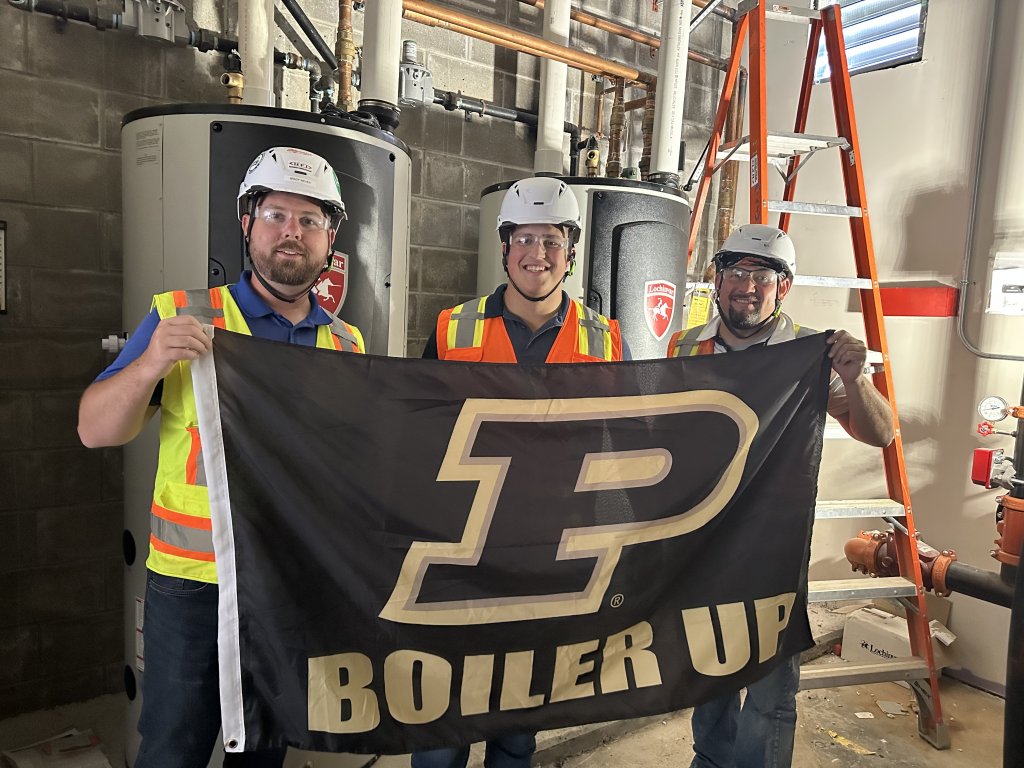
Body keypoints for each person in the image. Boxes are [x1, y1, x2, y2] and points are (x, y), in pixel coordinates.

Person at [77, 146, 365, 768]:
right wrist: (151, 363)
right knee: (172, 751)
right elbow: (94, 430)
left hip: (287, 583)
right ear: (247, 223)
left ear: (330, 239)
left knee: (262, 750)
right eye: (276, 215)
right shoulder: (182, 316)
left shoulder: (345, 343)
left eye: (310, 220)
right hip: (193, 586)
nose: (292, 232)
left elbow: (346, 467)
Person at [416, 176, 626, 768]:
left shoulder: (606, 340)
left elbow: (621, 446)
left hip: (546, 563)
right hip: (459, 558)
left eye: (552, 240)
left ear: (571, 251)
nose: (538, 254)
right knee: (440, 725)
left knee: (517, 727)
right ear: (505, 246)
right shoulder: (451, 328)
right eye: (525, 239)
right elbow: (417, 436)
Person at [666, 224, 894, 768]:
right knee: (709, 670)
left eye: (762, 276)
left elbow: (881, 433)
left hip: (774, 541)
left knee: (769, 685)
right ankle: (710, 761)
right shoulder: (685, 346)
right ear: (718, 279)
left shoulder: (812, 352)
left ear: (783, 287)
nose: (747, 287)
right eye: (737, 273)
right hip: (704, 536)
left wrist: (857, 379)